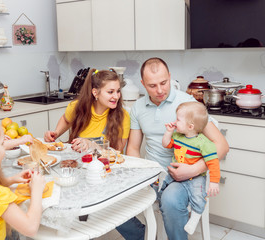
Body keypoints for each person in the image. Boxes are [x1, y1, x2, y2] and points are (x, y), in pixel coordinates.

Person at [117, 57, 229, 240]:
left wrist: (194, 169)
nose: (160, 90)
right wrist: (140, 177)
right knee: (113, 197)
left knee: (169, 200)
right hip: (152, 176)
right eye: (152, 86)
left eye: (164, 82)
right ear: (142, 83)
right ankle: (141, 235)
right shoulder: (137, 107)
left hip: (182, 178)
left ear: (170, 77)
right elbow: (134, 149)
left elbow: (222, 146)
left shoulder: (188, 104)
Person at [162, 101, 220, 235]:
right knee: (162, 187)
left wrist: (214, 182)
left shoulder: (204, 143)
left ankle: (195, 217)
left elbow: (213, 163)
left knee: (199, 196)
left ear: (190, 126)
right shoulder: (177, 136)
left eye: (178, 119)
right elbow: (166, 144)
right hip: (175, 176)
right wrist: (169, 132)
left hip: (196, 178)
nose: (175, 122)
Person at [44, 69, 130, 152]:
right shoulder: (77, 107)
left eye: (118, 91)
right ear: (95, 92)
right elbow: (66, 120)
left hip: (106, 165)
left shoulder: (123, 116)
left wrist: (92, 145)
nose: (116, 96)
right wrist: (56, 133)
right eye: (110, 92)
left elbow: (118, 150)